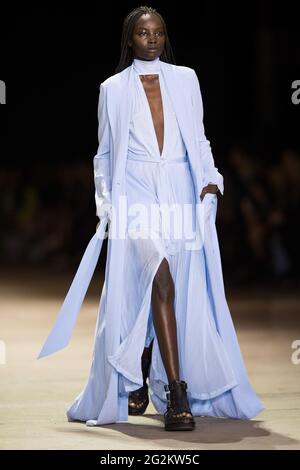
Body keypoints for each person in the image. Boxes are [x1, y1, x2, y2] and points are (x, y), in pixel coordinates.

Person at [38, 6, 264, 432]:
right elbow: (104, 155)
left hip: (179, 190)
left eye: (158, 32)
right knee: (159, 276)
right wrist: (107, 206)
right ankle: (177, 394)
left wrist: (212, 178)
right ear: (130, 39)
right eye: (143, 33)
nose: (153, 39)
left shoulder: (185, 79)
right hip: (135, 196)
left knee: (173, 289)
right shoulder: (112, 88)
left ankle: (142, 365)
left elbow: (198, 138)